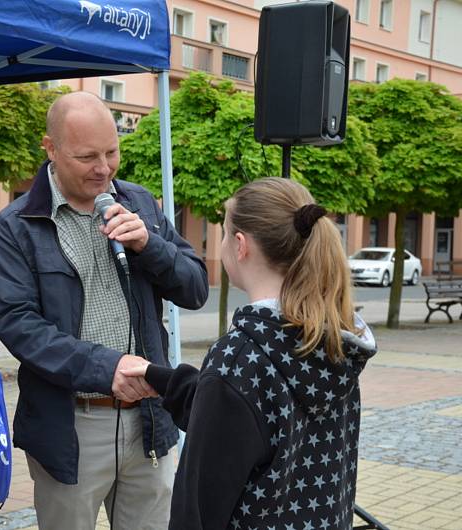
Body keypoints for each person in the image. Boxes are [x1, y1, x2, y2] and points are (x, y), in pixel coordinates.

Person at [0, 91, 209, 530]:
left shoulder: (140, 203)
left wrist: (150, 245)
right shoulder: (15, 226)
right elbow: (18, 324)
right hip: (70, 424)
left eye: (112, 151)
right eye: (87, 156)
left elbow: (195, 288)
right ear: (50, 149)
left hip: (150, 419)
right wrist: (107, 368)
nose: (104, 168)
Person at [122, 177, 377, 530]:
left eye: (224, 233)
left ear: (240, 245)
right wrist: (164, 379)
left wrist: (213, 380)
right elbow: (258, 420)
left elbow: (197, 512)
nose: (223, 241)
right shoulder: (333, 337)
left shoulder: (240, 357)